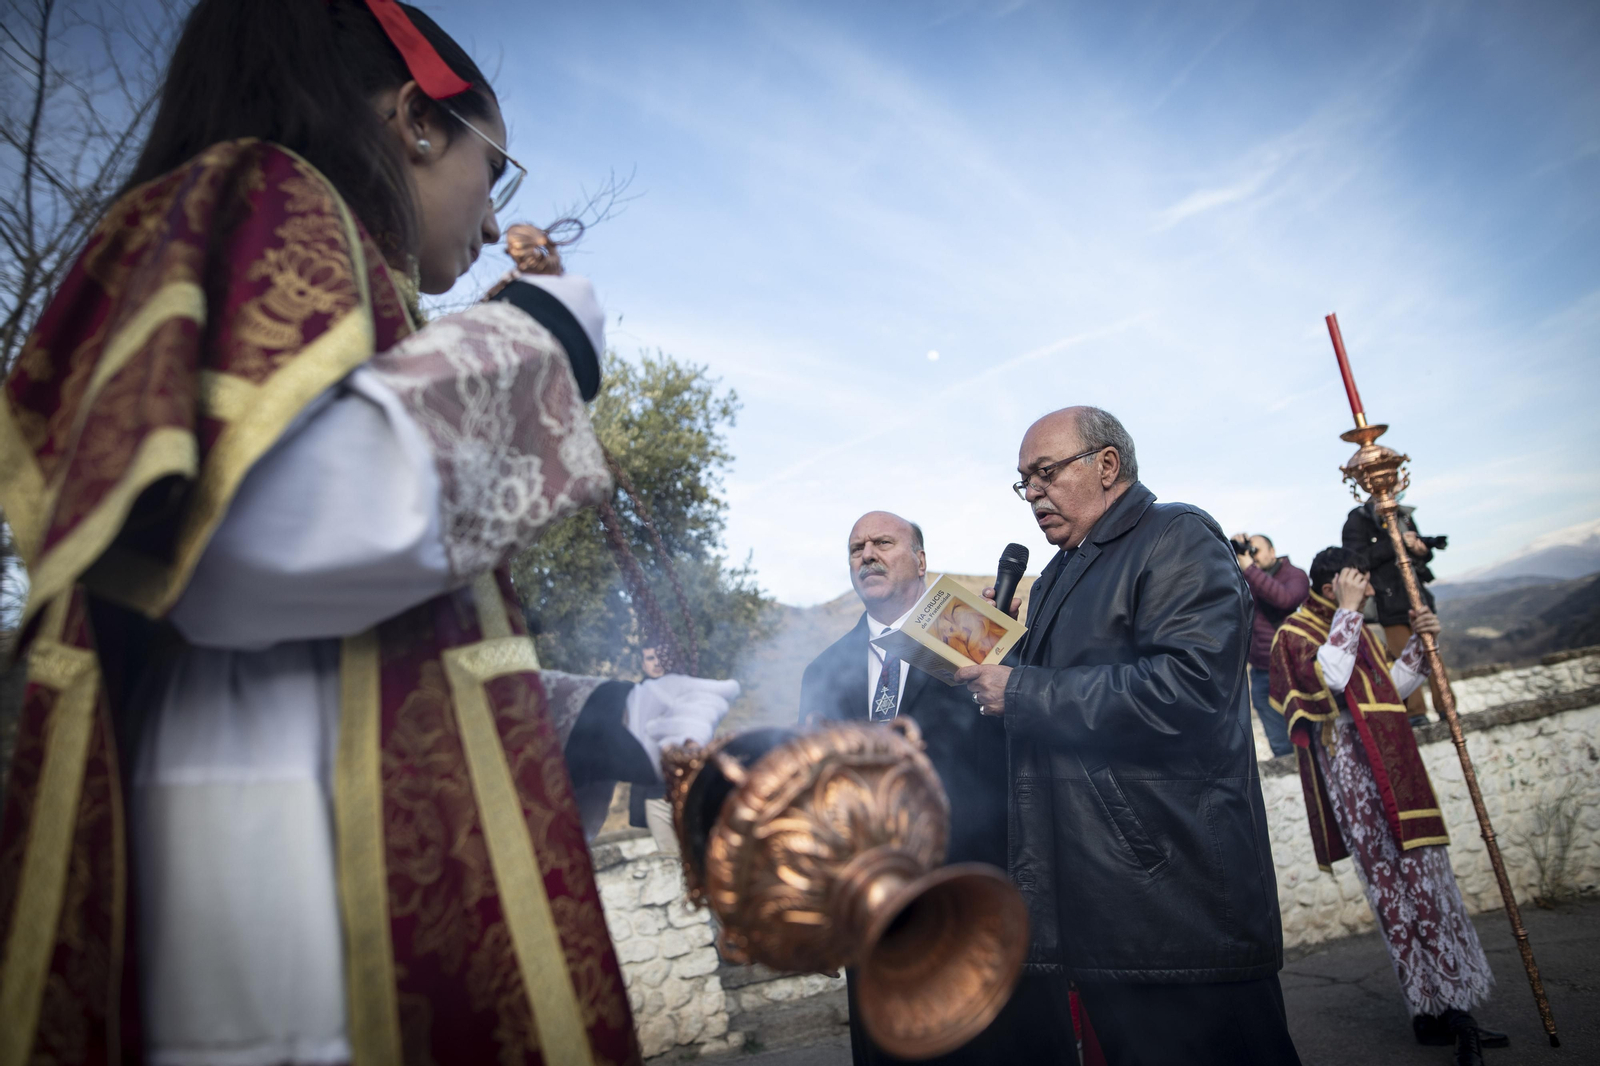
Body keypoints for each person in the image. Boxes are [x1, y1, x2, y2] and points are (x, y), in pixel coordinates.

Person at [0, 3, 739, 1063]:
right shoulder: (267, 200)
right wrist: (542, 341)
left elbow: (371, 653)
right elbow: (253, 546)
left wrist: (603, 716)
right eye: (495, 168)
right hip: (275, 927)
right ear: (418, 122)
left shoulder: (354, 290)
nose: (494, 217)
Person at [955, 407, 1300, 1066]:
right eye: (1024, 482)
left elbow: (1188, 692)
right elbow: (1057, 706)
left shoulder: (1175, 535)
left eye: (1046, 473)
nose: (1033, 494)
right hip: (1098, 904)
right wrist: (994, 664)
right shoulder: (1057, 576)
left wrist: (1020, 691)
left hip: (1178, 900)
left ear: (1107, 465)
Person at [799, 511, 1073, 1065]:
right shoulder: (823, 672)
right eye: (856, 548)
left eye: (883, 543)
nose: (867, 555)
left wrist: (1012, 646)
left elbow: (1033, 736)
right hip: (879, 922)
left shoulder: (968, 629)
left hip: (983, 903)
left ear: (921, 560)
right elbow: (814, 797)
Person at [1270, 548, 1506, 1064]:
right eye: (1362, 582)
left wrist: (1422, 643)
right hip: (1355, 782)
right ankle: (1429, 1010)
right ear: (1334, 586)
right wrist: (1348, 611)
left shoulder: (1355, 626)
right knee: (1392, 892)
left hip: (1396, 773)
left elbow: (1390, 689)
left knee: (1428, 885)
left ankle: (1455, 1006)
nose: (1373, 591)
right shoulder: (1296, 633)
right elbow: (1331, 680)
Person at [1343, 498, 1448, 723]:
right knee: (1403, 657)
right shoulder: (1359, 519)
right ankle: (1415, 714)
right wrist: (1395, 542)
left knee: (1433, 653)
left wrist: (1421, 551)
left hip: (1417, 597)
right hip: (1386, 601)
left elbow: (1417, 552)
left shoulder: (1403, 514)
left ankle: (1447, 707)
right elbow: (1356, 559)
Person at [1230, 532, 1308, 757]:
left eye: (1256, 550)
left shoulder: (1294, 575)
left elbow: (1285, 599)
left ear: (1272, 552)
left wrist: (1249, 569)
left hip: (1294, 669)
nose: (1252, 556)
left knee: (1307, 736)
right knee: (1280, 745)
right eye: (1249, 551)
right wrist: (1232, 557)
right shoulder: (1247, 578)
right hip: (1261, 672)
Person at [630, 646, 681, 855]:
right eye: (651, 658)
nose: (657, 663)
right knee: (670, 856)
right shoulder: (635, 698)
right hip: (655, 794)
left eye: (661, 657)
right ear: (643, 665)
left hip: (684, 788)